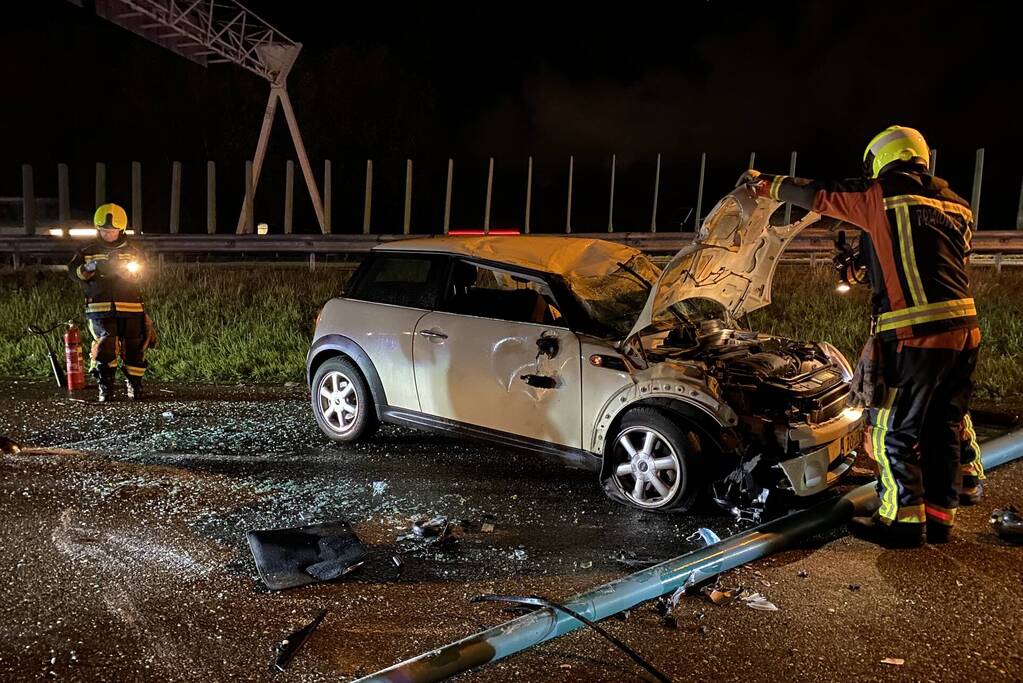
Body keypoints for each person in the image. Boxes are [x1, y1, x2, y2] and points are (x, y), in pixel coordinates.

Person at [740, 125, 980, 548]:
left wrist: (765, 184)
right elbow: (930, 259)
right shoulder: (957, 205)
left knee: (893, 432)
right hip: (964, 332)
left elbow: (819, 193)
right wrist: (864, 264)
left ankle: (902, 523)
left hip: (914, 334)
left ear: (880, 159)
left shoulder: (881, 194)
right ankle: (941, 519)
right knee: (943, 426)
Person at [68, 203, 150, 402]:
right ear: (98, 229)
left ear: (121, 230)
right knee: (106, 346)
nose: (108, 235)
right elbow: (74, 272)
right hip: (100, 308)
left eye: (112, 231)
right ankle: (105, 387)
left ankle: (135, 385)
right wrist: (92, 266)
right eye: (104, 231)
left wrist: (128, 273)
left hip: (131, 307)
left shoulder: (133, 250)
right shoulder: (87, 250)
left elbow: (143, 274)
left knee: (134, 346)